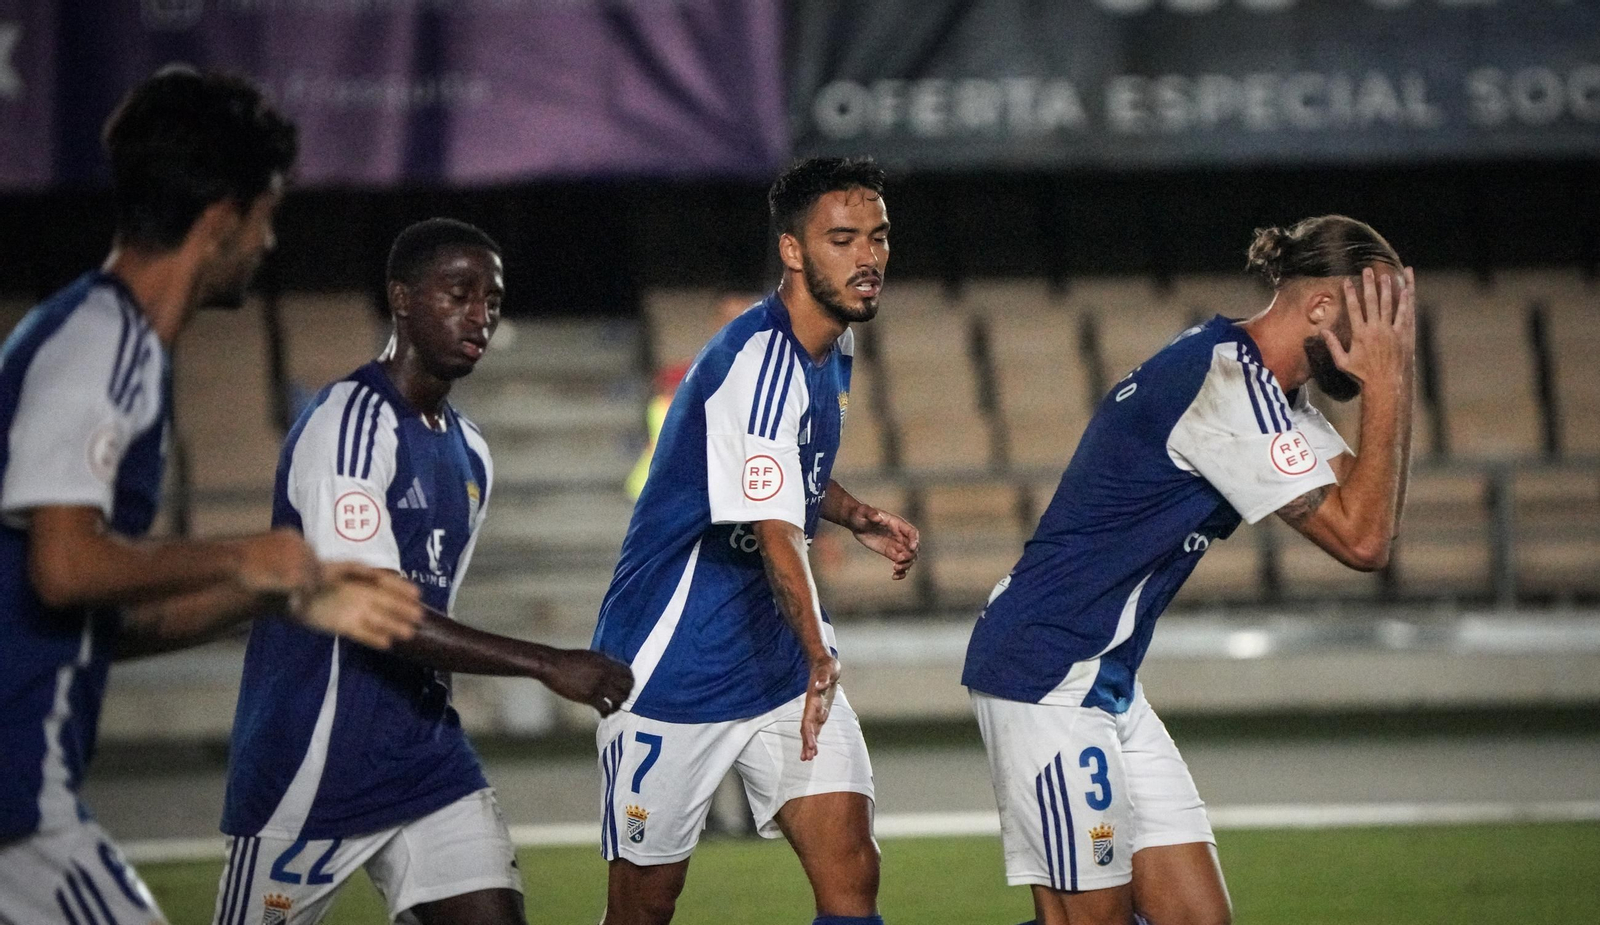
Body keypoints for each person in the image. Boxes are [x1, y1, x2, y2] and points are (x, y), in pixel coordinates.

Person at [0, 67, 425, 925]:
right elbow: (64, 566)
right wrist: (246, 552)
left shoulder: (99, 340)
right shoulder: (105, 342)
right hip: (17, 809)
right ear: (223, 219)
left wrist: (278, 594)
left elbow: (96, 622)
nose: (269, 243)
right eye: (266, 215)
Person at [962, 215, 1415, 925]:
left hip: (1103, 675)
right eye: (1378, 318)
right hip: (1045, 669)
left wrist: (1394, 379)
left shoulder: (1268, 392)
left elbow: (1373, 522)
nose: (1386, 341)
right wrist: (1387, 383)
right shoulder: (1226, 384)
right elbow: (1360, 541)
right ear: (1322, 305)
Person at [213, 218, 634, 925]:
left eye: (492, 300)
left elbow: (432, 606)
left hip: (425, 760)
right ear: (402, 299)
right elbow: (378, 614)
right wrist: (546, 662)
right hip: (313, 761)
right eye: (458, 294)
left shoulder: (472, 452)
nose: (479, 315)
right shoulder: (350, 424)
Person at [589, 156, 919, 925]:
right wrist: (820, 653)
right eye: (842, 239)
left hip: (773, 659)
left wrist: (854, 513)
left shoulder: (835, 345)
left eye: (877, 236)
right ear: (793, 250)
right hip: (672, 666)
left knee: (852, 872)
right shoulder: (760, 362)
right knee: (643, 906)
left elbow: (784, 473)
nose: (867, 257)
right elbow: (775, 531)